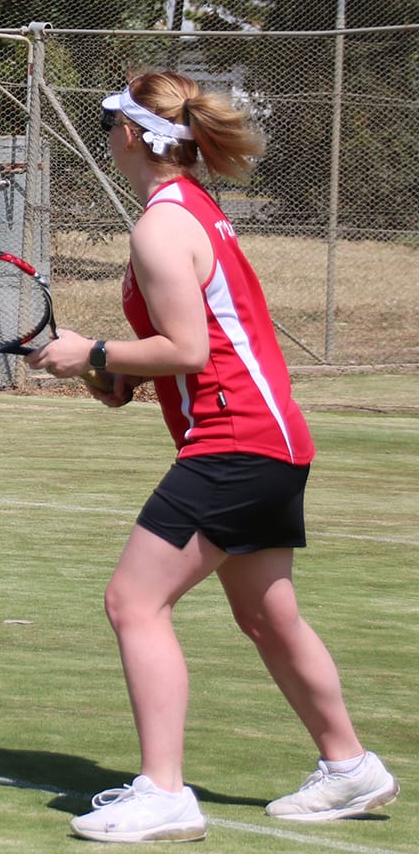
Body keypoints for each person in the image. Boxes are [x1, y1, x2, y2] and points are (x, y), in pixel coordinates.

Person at [26, 72, 398, 843]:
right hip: (271, 440)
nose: (105, 136)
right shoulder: (194, 207)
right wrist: (114, 374)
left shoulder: (160, 224)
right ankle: (349, 767)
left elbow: (189, 348)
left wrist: (93, 349)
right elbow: (197, 343)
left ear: (129, 134)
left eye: (106, 122)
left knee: (134, 603)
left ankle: (163, 794)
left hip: (234, 443)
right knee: (266, 614)